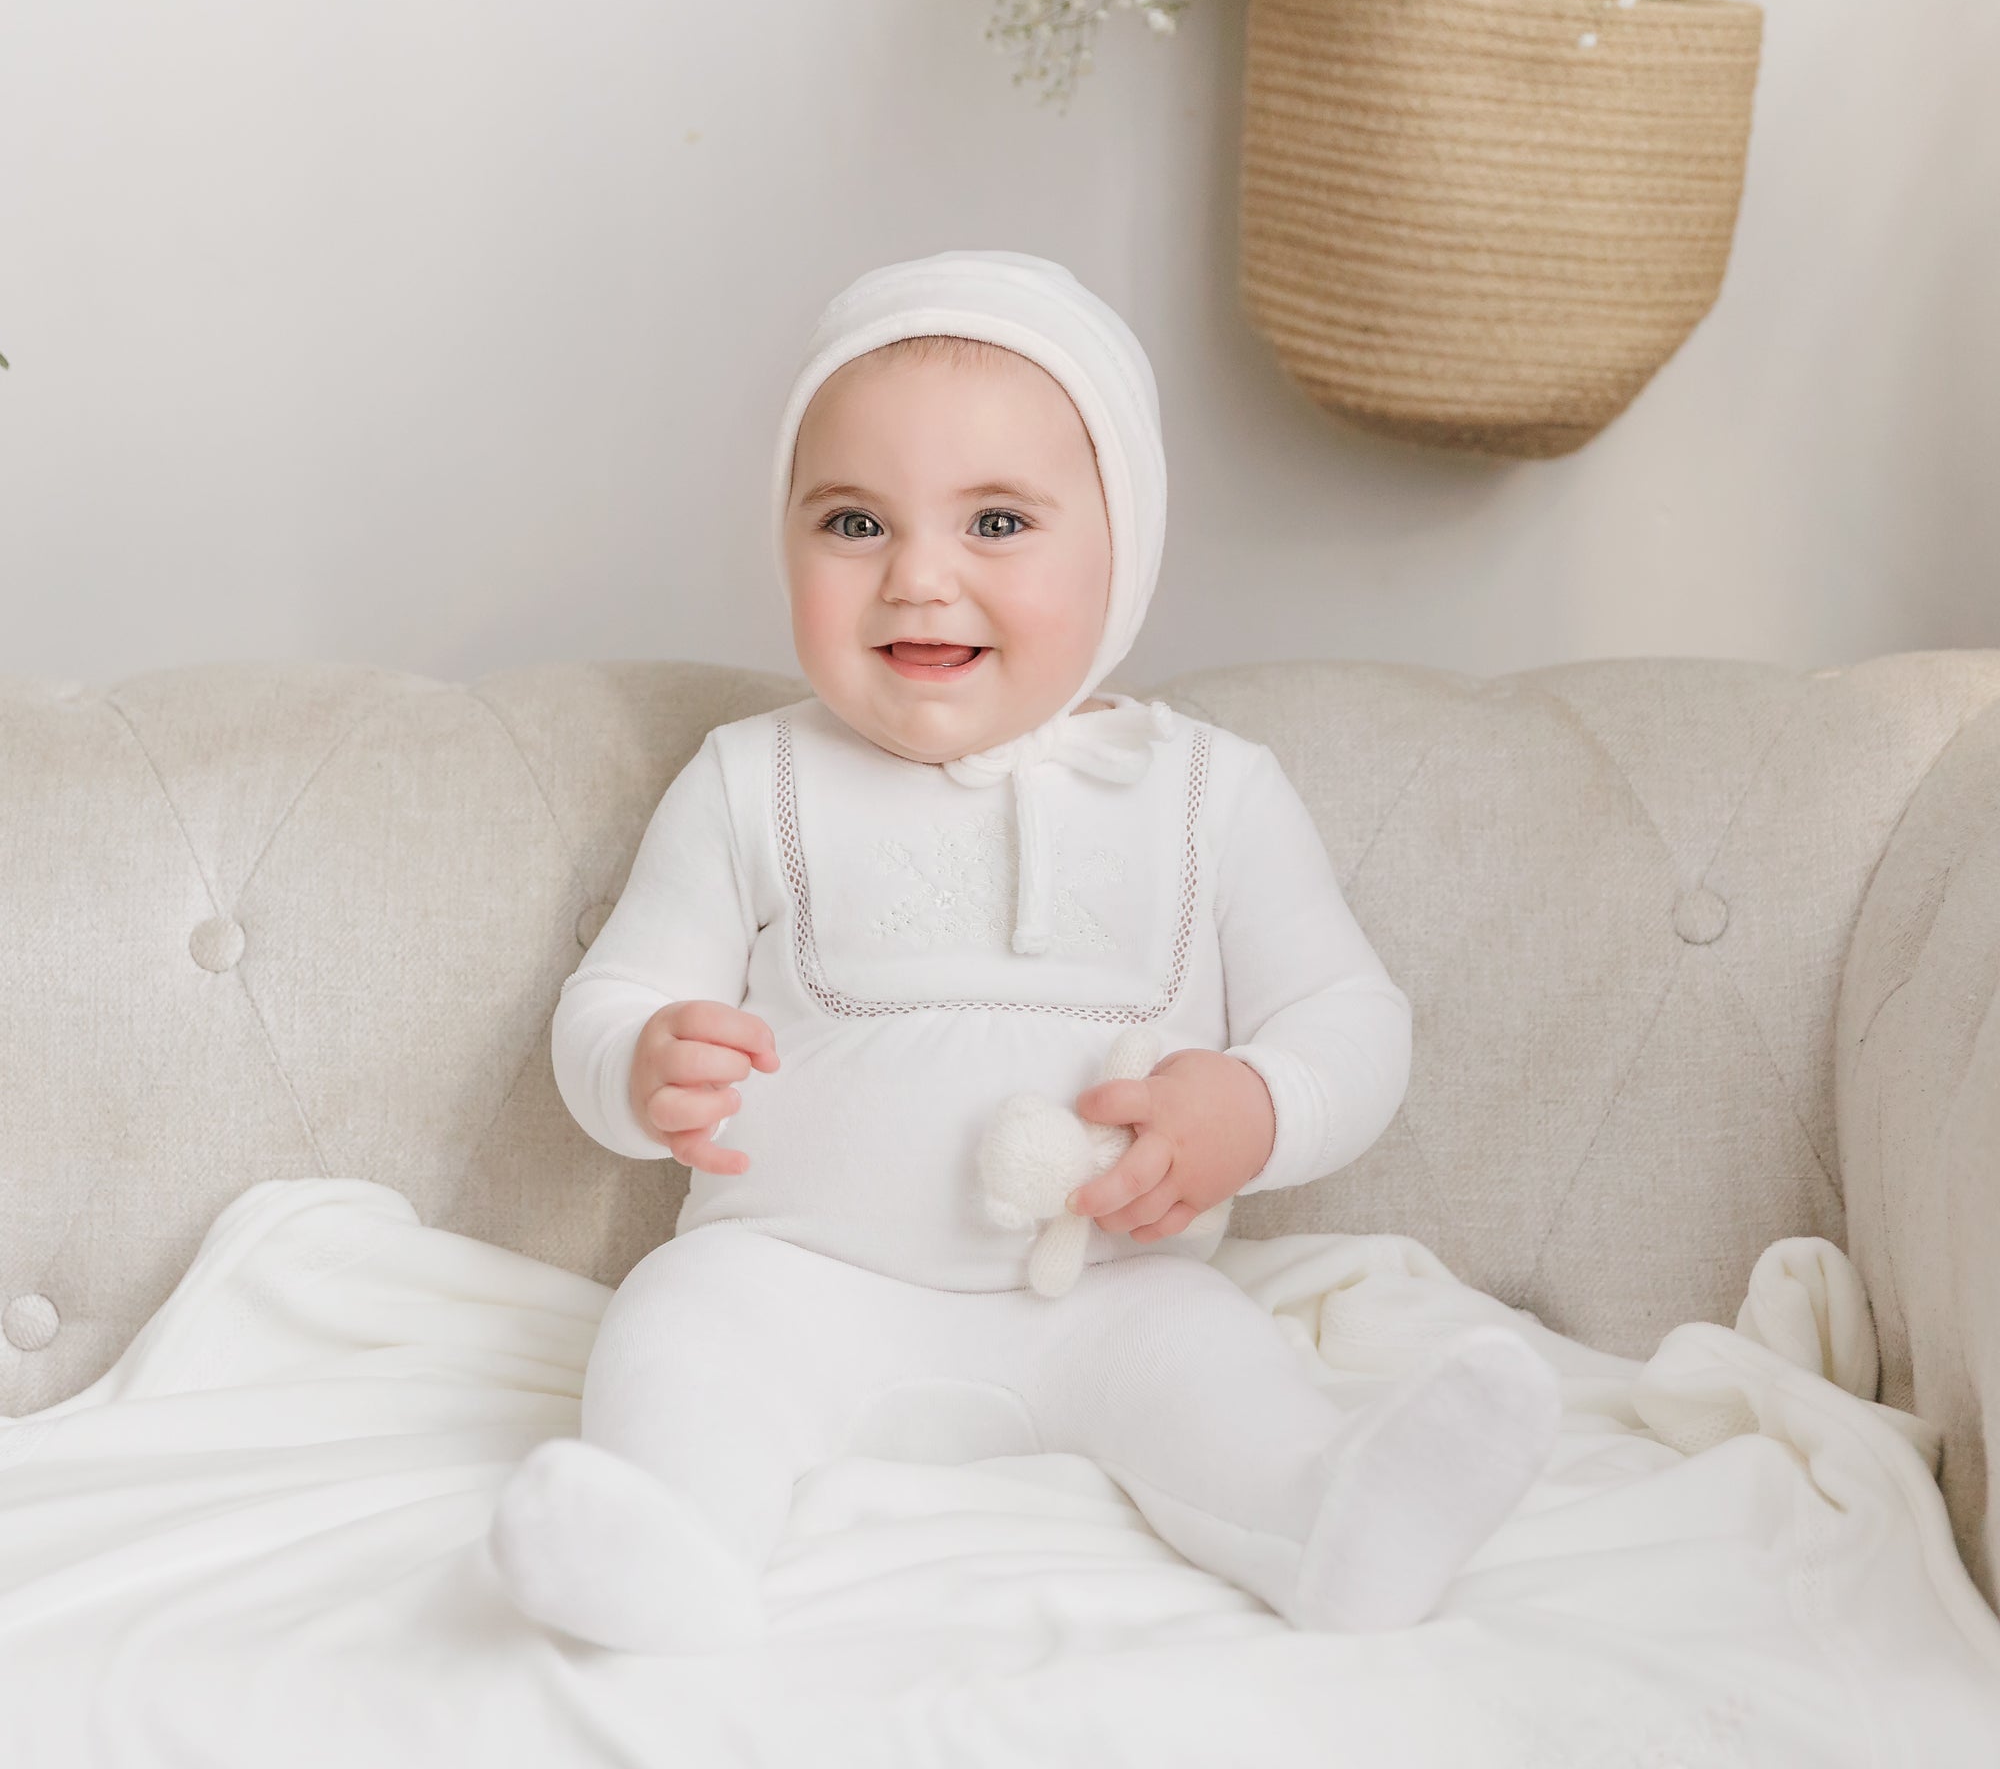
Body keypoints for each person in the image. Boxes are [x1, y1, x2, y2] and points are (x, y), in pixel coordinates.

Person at [486, 249, 1560, 1654]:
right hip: (796, 1276)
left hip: (1115, 1294)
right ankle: (668, 1545)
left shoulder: (1210, 792)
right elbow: (612, 998)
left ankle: (1333, 1525)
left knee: (1223, 1381)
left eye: (996, 522)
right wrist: (637, 1064)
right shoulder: (750, 781)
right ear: (786, 540)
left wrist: (1251, 1110)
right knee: (678, 1333)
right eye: (853, 523)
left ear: (1124, 548)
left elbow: (1352, 1018)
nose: (918, 579)